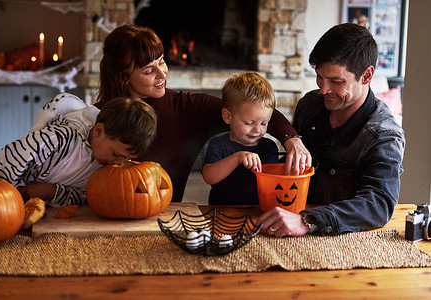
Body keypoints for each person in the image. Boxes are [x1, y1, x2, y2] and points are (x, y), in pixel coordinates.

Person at [94, 24, 311, 203]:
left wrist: (292, 140)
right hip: (104, 210)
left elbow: (258, 112)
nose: (162, 73)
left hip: (164, 216)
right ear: (123, 77)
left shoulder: (188, 108)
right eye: (149, 70)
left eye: (161, 61)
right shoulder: (97, 118)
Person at [257, 23, 405, 237]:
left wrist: (307, 221)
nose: (324, 89)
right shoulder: (309, 105)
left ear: (366, 76)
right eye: (319, 77)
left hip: (345, 243)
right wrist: (292, 139)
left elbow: (379, 205)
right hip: (287, 229)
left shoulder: (384, 135)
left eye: (336, 81)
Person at [0, 95, 157, 207]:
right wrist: (9, 198)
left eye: (125, 159)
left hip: (51, 217)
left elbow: (87, 197)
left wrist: (52, 191)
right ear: (98, 131)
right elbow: (10, 155)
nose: (118, 163)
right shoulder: (60, 138)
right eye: (115, 154)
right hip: (13, 202)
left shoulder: (109, 163)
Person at [202, 72, 280, 205]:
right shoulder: (219, 144)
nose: (257, 129)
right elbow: (209, 177)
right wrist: (237, 157)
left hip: (259, 212)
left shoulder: (269, 147)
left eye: (264, 123)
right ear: (227, 116)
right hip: (222, 212)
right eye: (249, 123)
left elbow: (275, 183)